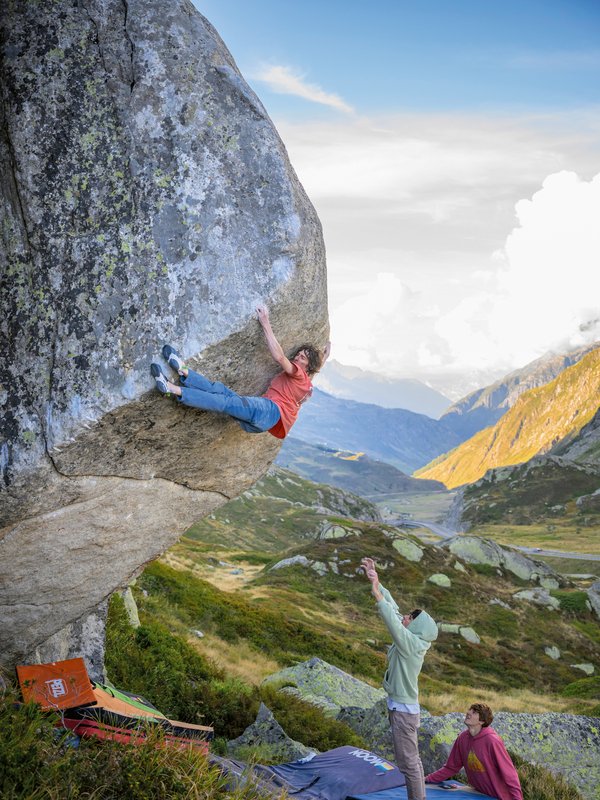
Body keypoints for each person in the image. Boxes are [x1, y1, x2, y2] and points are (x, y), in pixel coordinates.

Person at [150, 305, 330, 439]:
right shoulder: (305, 383)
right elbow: (311, 371)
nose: (297, 358)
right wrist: (324, 357)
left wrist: (265, 322)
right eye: (298, 354)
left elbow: (280, 358)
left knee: (224, 402)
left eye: (302, 358)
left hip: (269, 411)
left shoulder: (299, 374)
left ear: (307, 366)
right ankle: (184, 371)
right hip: (262, 422)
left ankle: (171, 389)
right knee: (219, 390)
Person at [361, 557, 438, 800]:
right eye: (406, 615)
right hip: (401, 708)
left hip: (404, 712)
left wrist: (376, 595)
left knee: (408, 764)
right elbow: (394, 611)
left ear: (416, 628)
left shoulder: (412, 644)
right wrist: (378, 582)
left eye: (409, 618)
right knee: (411, 760)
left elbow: (392, 620)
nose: (404, 617)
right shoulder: (412, 639)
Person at [425, 703, 523, 800]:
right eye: (469, 710)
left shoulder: (492, 741)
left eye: (474, 712)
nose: (468, 713)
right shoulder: (462, 738)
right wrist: (426, 779)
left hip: (499, 797)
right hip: (478, 794)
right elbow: (451, 767)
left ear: (482, 721)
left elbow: (509, 774)